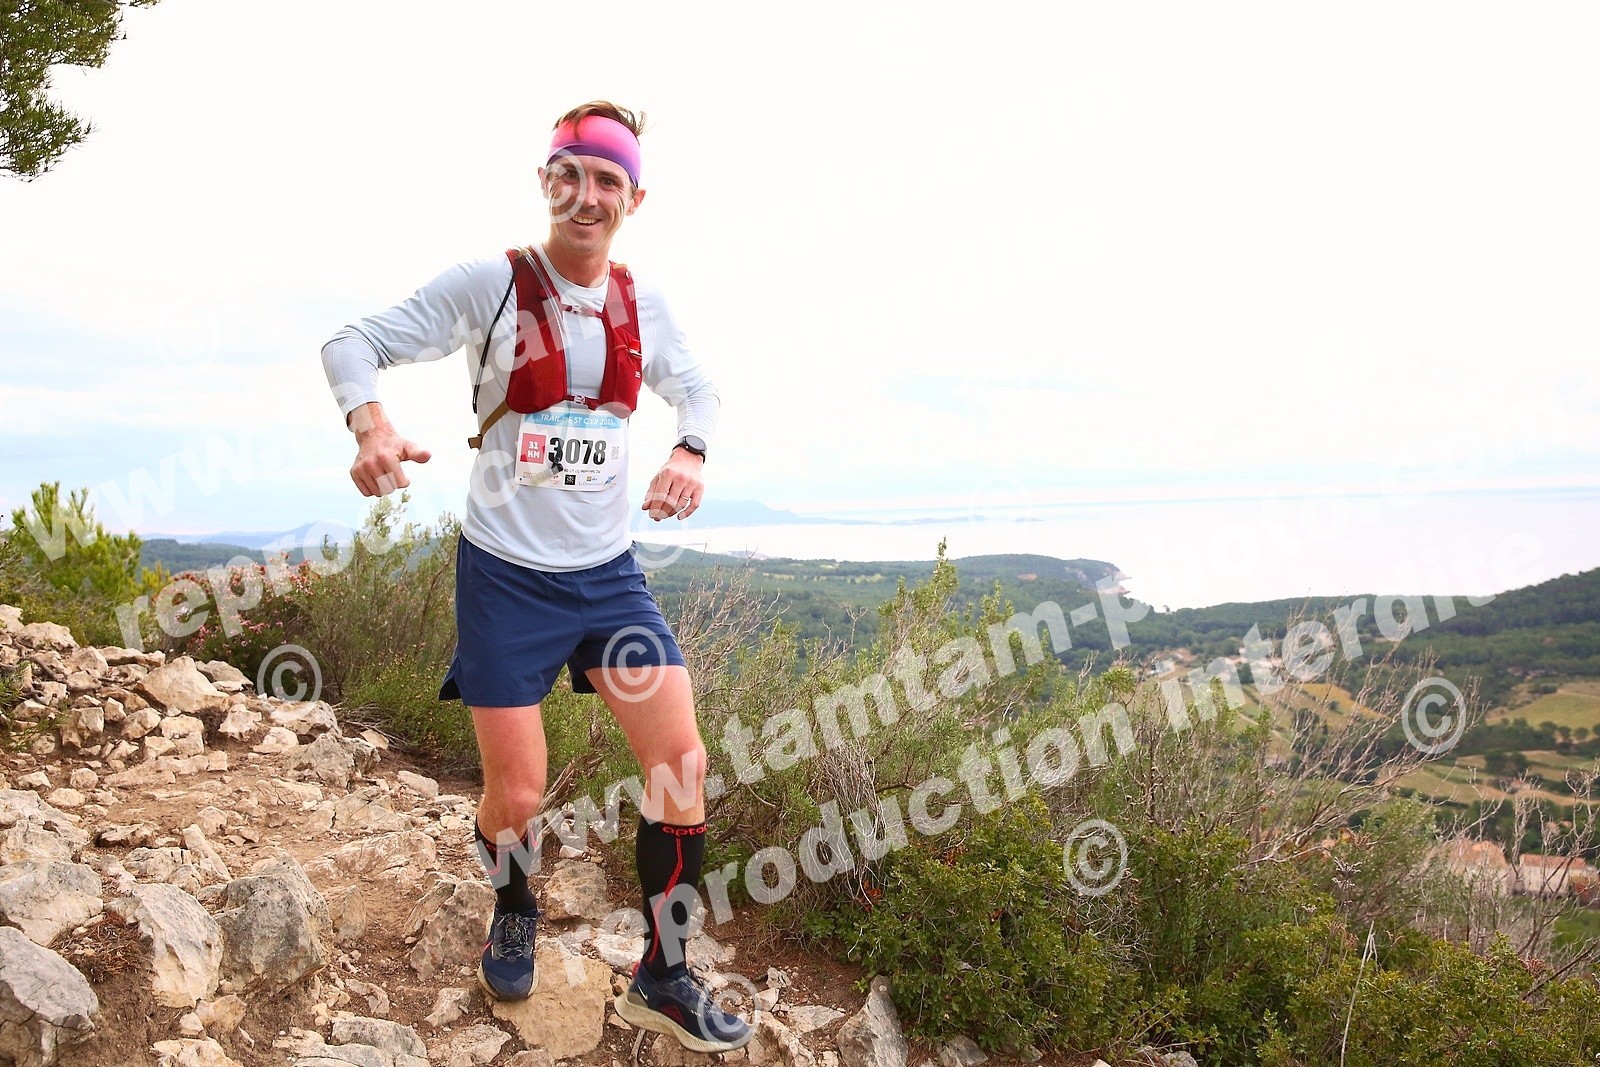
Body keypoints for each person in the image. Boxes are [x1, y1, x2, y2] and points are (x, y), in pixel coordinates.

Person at [320, 101, 750, 1053]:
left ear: (634, 199)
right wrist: (370, 424)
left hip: (607, 578)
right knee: (517, 796)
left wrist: (690, 447)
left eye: (607, 180)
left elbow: (699, 386)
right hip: (506, 579)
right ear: (545, 181)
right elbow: (351, 342)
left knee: (681, 765)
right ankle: (514, 905)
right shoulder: (494, 285)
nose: (586, 195)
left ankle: (663, 976)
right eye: (570, 173)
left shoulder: (642, 303)